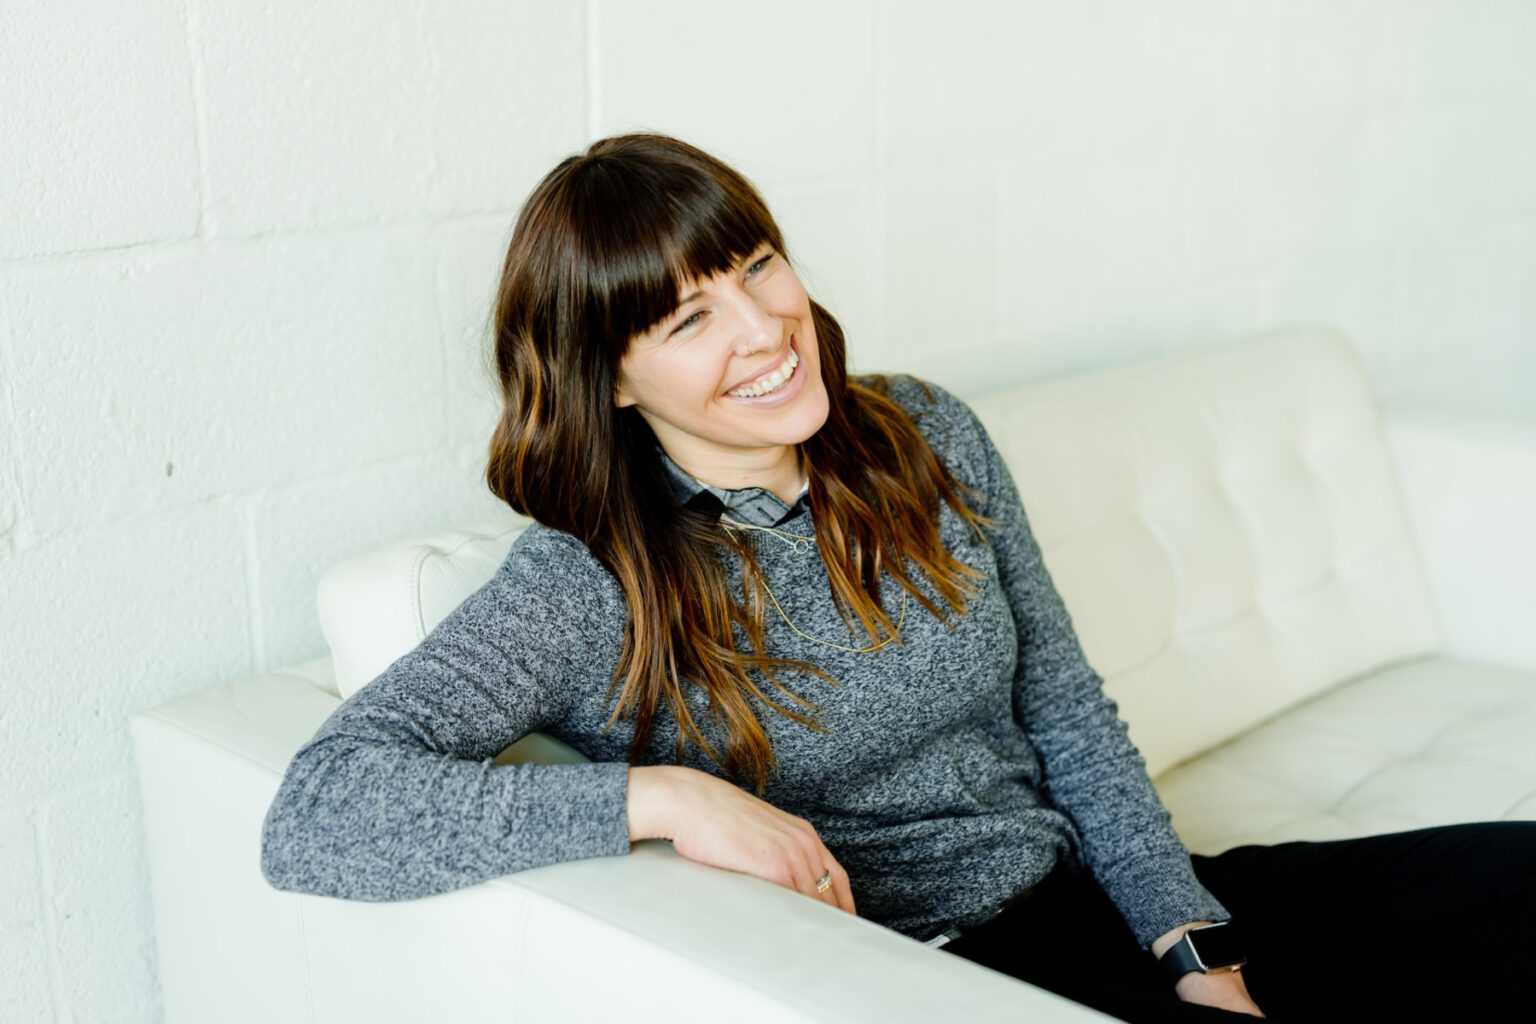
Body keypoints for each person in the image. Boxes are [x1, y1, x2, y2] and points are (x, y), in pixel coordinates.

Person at [259, 132, 1535, 1022]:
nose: (765, 327)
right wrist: (663, 798)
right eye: (689, 318)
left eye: (757, 267)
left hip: (1098, 893)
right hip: (950, 973)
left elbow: (1066, 708)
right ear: (612, 379)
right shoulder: (590, 578)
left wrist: (1190, 942)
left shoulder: (921, 431)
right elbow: (316, 811)